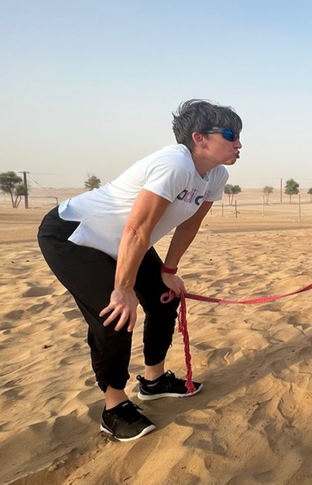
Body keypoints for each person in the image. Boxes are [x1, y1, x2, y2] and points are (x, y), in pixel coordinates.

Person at [37, 99, 243, 442]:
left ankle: (154, 380)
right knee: (116, 315)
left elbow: (189, 226)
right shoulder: (174, 164)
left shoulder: (217, 175)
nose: (238, 143)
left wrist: (168, 269)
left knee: (163, 299)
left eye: (239, 135)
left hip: (129, 242)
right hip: (74, 236)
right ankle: (114, 407)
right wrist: (123, 289)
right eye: (229, 134)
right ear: (199, 138)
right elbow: (136, 229)